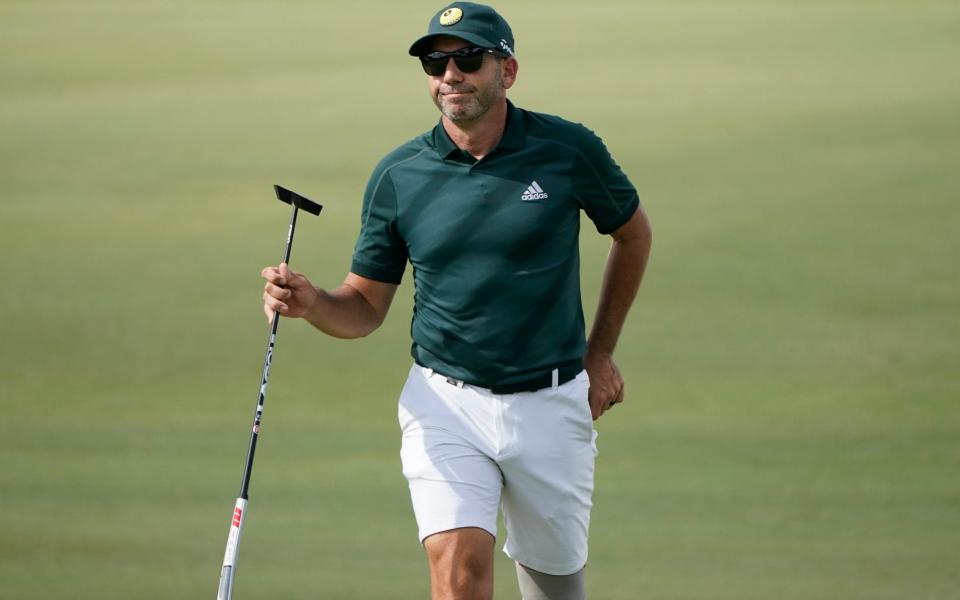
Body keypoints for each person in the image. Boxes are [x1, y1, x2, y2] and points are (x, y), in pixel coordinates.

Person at [261, 3, 652, 598]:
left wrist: (600, 352)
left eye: (468, 59)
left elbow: (633, 234)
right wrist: (313, 302)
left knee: (555, 590)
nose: (450, 75)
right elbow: (364, 307)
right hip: (447, 405)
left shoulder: (566, 150)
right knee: (460, 576)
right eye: (435, 63)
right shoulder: (400, 175)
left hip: (551, 402)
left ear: (508, 71)